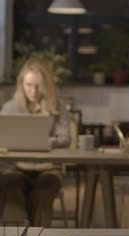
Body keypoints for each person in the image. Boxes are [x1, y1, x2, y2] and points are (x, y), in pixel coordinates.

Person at [0, 58, 71, 227]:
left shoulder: (57, 106)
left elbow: (65, 138)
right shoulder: (10, 107)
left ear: (46, 85)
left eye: (38, 86)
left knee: (42, 193)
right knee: (11, 188)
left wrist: (45, 142)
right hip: (16, 167)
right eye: (29, 85)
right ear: (21, 84)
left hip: (49, 169)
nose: (33, 91)